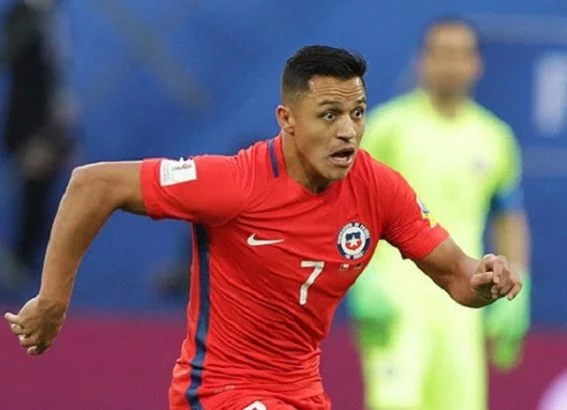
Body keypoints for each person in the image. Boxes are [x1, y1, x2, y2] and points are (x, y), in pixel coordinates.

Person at [4, 45, 523, 410]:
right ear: (287, 119)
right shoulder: (235, 182)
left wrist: (484, 279)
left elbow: (457, 275)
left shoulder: (380, 188)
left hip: (302, 394)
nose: (348, 131)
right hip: (219, 393)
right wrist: (53, 299)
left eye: (358, 113)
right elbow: (93, 184)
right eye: (329, 115)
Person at [348, 18, 531, 410]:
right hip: (395, 302)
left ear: (477, 64)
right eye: (442, 53)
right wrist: (362, 278)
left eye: (461, 54)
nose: (451, 64)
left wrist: (520, 279)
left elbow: (508, 215)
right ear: (422, 60)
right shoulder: (387, 128)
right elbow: (350, 204)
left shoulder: (494, 137)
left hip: (462, 306)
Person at [1, 0, 74, 284]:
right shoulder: (20, 17)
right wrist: (32, 138)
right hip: (30, 129)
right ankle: (20, 267)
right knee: (31, 200)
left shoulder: (52, 18)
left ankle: (32, 271)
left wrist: (63, 131)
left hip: (51, 125)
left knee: (49, 202)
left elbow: (55, 79)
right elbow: (24, 84)